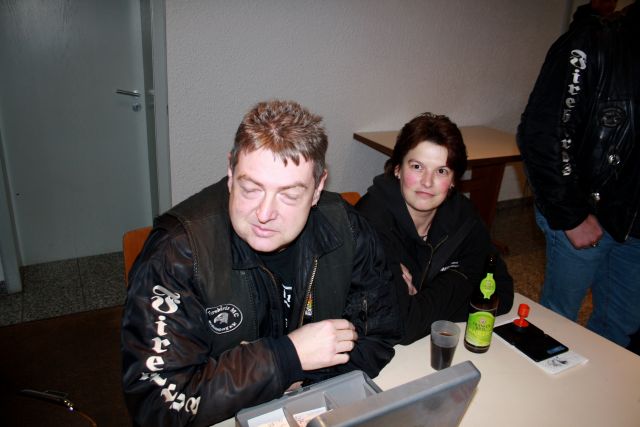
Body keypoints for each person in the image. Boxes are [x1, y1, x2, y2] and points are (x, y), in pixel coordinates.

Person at [121, 100, 401, 426]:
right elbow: (157, 406)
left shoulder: (346, 228)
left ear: (318, 189)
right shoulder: (177, 254)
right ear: (230, 173)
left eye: (289, 195)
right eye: (251, 188)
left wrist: (300, 383)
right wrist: (287, 359)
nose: (265, 214)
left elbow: (379, 334)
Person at [516, 2, 639, 349]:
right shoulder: (592, 43)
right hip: (585, 213)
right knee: (557, 322)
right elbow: (542, 134)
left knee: (620, 326)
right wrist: (571, 215)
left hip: (636, 226)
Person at [356, 112, 514, 345]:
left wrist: (430, 293)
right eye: (417, 167)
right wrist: (464, 280)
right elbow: (402, 326)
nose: (427, 182)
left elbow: (502, 295)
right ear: (398, 168)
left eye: (441, 171)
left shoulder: (463, 216)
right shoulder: (371, 221)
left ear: (453, 181)